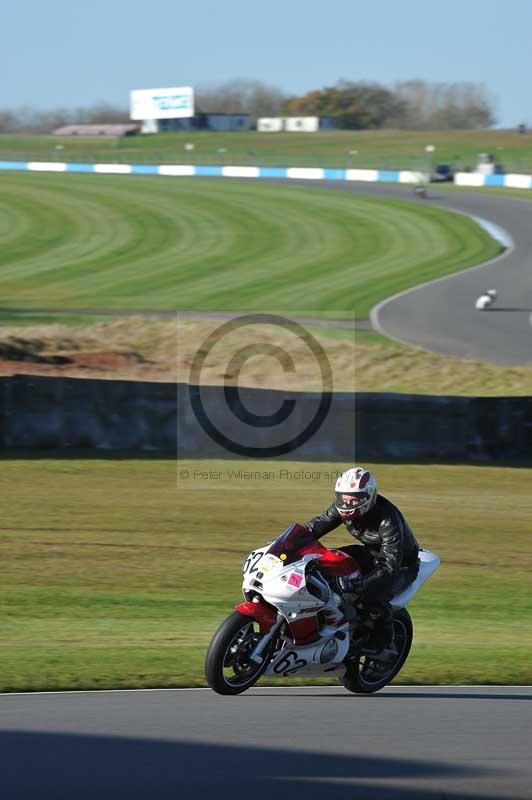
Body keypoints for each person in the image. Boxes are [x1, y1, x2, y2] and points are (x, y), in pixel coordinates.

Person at [303, 466, 420, 654]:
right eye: (343, 497)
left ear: (368, 497)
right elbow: (315, 527)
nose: (347, 503)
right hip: (370, 554)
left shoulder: (388, 520)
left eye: (354, 498)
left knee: (369, 596)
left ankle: (382, 641)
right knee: (323, 562)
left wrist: (363, 584)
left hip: (400, 566)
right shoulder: (342, 508)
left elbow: (390, 566)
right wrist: (286, 543)